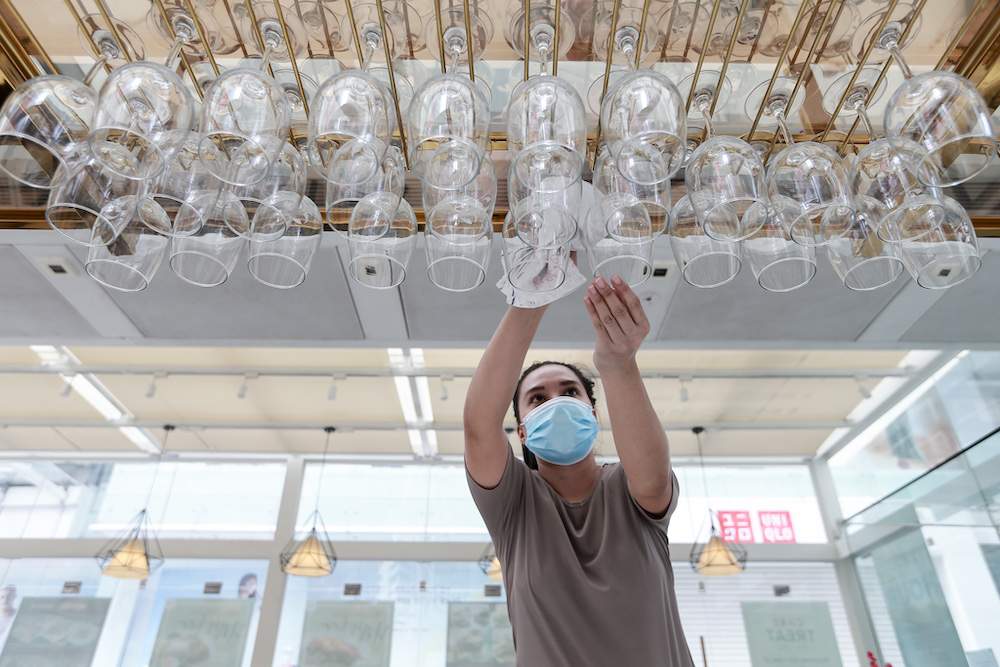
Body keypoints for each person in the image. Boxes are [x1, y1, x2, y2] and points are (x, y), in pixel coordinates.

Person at [464, 274, 694, 666]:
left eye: (570, 392)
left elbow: (654, 482)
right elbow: (478, 427)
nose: (556, 402)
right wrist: (532, 298)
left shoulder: (630, 487)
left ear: (593, 412)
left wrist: (618, 365)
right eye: (537, 398)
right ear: (521, 430)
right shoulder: (513, 503)